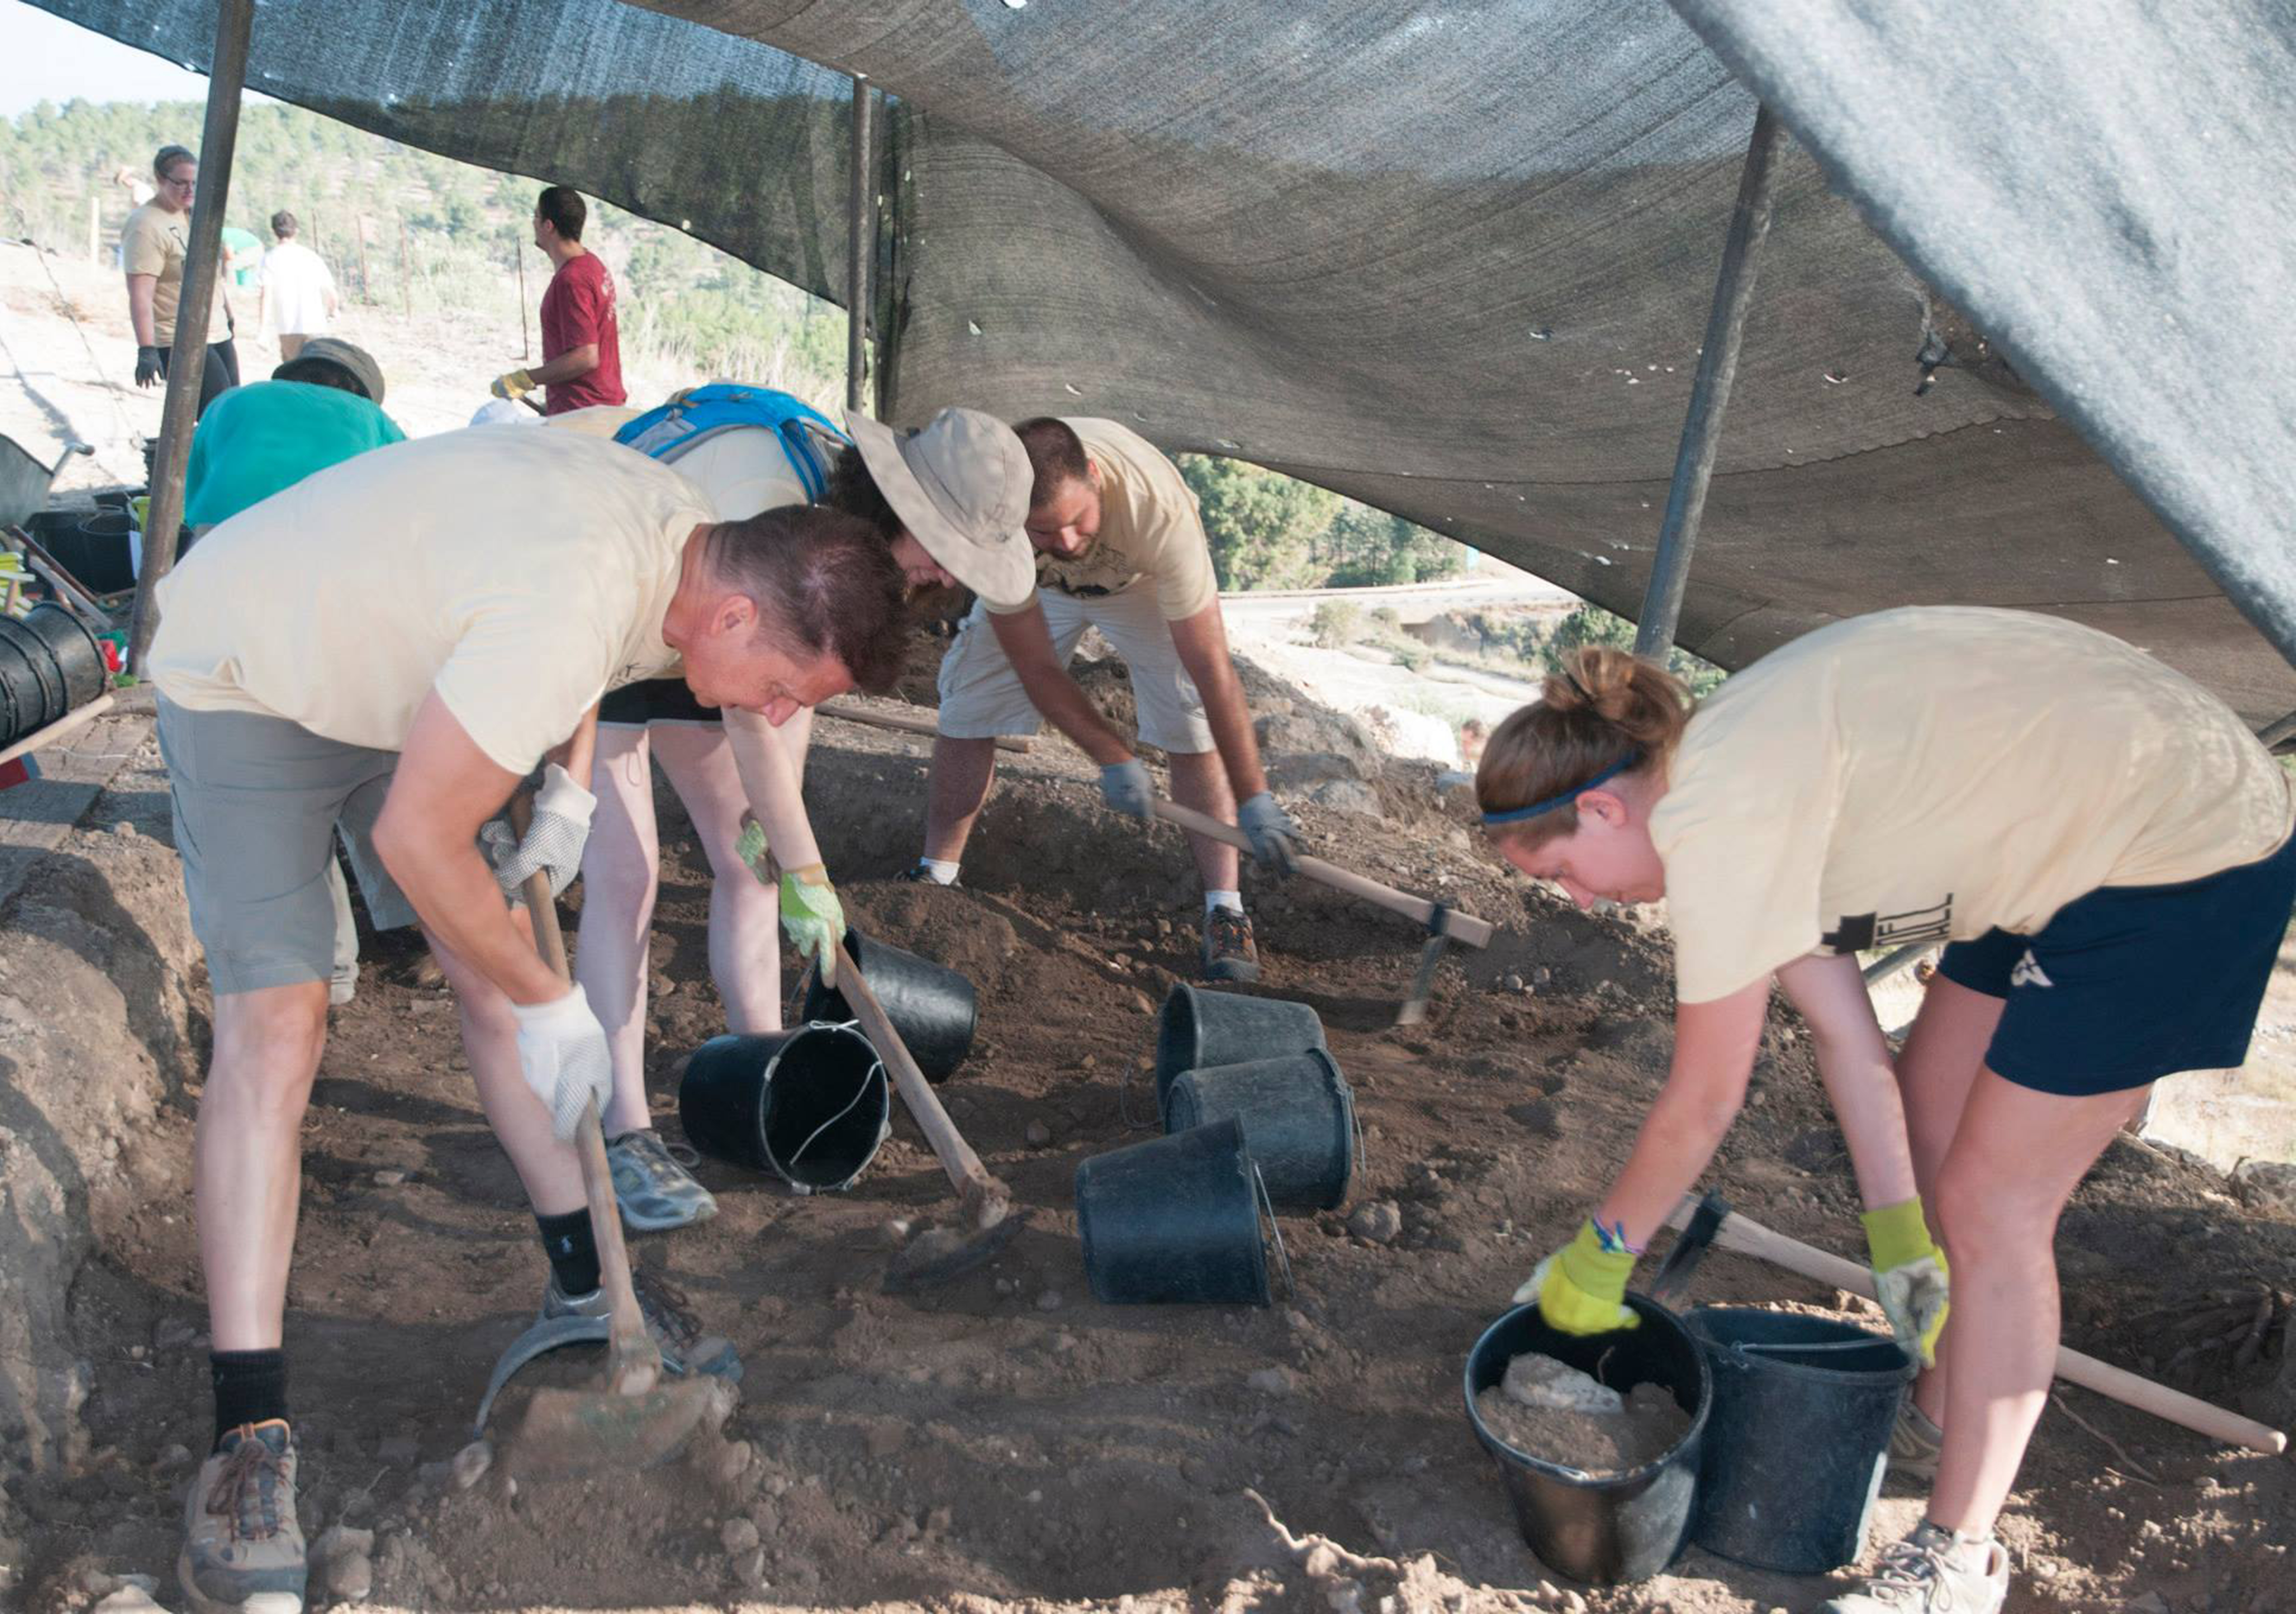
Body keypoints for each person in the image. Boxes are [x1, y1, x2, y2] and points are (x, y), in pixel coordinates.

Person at [146, 424, 909, 1613]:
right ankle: (247, 1443)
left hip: (410, 674)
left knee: (488, 983)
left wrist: (562, 783)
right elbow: (417, 833)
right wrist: (557, 997)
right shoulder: (577, 598)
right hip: (251, 670)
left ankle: (582, 1288)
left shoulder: (675, 535)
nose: (764, 713)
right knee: (281, 1024)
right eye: (778, 692)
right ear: (739, 621)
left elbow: (579, 662)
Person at [1475, 607, 2296, 1614]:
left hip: (2181, 843)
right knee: (1933, 1128)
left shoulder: (1720, 813)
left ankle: (1955, 1556)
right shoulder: (1722, 780)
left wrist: (1599, 1254)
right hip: (2057, 831)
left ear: (1601, 810)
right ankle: (1939, 1416)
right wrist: (1901, 1239)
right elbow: (1849, 1046)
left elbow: (1703, 1098)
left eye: (1560, 875)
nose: (1581, 903)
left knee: (1995, 1201)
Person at [552, 390, 1036, 1230]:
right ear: (901, 504)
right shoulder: (773, 501)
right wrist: (810, 868)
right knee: (625, 875)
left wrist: (787, 850)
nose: (952, 577)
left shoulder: (845, 561)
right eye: (950, 549)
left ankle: (767, 1073)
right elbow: (749, 700)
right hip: (611, 620)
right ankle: (626, 1128)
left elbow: (782, 711)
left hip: (728, 643)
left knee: (753, 862)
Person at [906, 416, 1301, 982]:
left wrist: (1255, 797)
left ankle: (1226, 910)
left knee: (1189, 723)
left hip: (1136, 583)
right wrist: (1113, 756)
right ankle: (936, 878)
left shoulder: (1156, 512)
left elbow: (1210, 668)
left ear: (1094, 477)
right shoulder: (996, 521)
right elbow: (1036, 665)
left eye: (1076, 520)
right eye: (1045, 530)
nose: (1066, 542)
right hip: (1034, 585)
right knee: (970, 705)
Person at [184, 337, 404, 529]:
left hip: (222, 540)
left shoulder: (232, 399)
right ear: (364, 394)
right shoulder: (372, 418)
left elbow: (191, 491)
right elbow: (408, 489)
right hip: (327, 541)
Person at [123, 145, 240, 417]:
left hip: (216, 330)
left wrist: (229, 315)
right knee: (217, 416)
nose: (190, 190)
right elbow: (141, 293)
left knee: (234, 412)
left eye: (195, 183)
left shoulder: (194, 216)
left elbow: (211, 276)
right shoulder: (146, 225)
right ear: (161, 180)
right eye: (181, 183)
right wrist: (147, 349)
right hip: (179, 337)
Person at [492, 186, 622, 416]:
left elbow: (586, 357)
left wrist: (524, 380)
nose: (533, 223)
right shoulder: (592, 264)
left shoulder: (572, 280)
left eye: (536, 216)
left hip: (583, 413)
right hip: (599, 406)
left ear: (548, 226)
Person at [255, 211, 337, 364]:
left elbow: (267, 295)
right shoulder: (311, 257)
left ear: (274, 232)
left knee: (294, 376)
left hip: (288, 329)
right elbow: (331, 293)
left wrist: (263, 330)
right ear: (296, 231)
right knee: (319, 371)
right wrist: (332, 312)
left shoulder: (270, 259)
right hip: (316, 326)